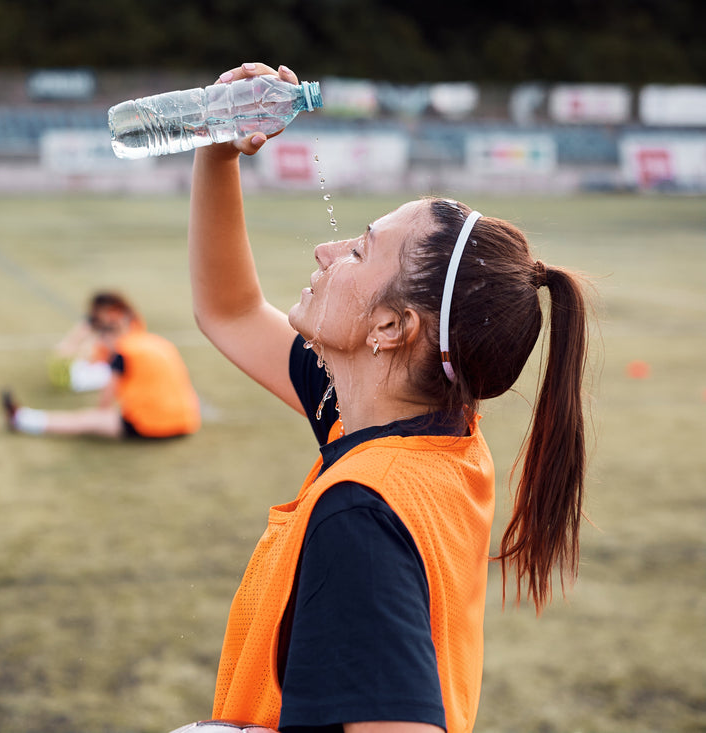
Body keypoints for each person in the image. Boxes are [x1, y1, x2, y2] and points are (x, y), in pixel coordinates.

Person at [187, 62, 591, 733]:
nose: (325, 249)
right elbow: (228, 310)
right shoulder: (409, 425)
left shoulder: (361, 516)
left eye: (359, 250)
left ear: (391, 327)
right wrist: (216, 150)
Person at [2, 291, 201, 439]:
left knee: (87, 419)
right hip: (187, 421)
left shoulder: (122, 353)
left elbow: (104, 403)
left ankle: (23, 420)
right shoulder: (155, 341)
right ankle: (24, 418)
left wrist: (101, 417)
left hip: (152, 426)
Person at [45, 293, 117, 393]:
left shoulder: (114, 328)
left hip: (98, 368)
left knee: (89, 346)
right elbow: (71, 341)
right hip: (86, 370)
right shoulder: (94, 323)